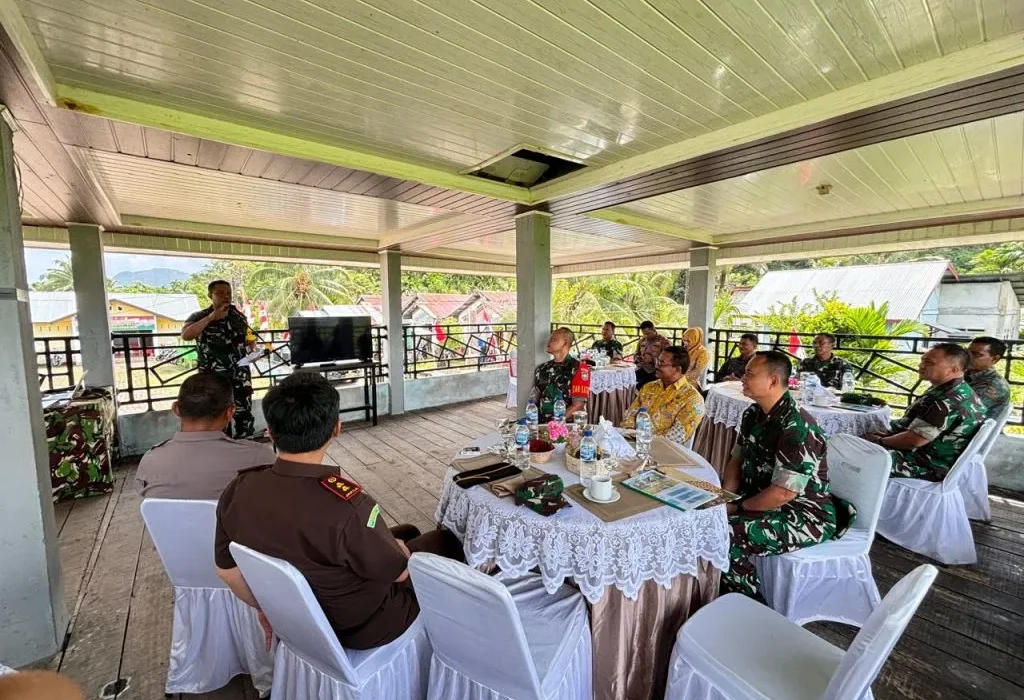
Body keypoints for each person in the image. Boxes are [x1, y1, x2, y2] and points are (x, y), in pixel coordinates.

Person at [214, 372, 461, 650]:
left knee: (409, 531)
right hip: (362, 628)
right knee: (445, 541)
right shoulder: (348, 505)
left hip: (298, 621)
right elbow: (400, 573)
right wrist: (401, 549)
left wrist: (271, 608)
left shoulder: (238, 488)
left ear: (269, 430)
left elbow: (227, 571)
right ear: (337, 428)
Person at [722, 351, 845, 599]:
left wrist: (736, 508)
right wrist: (725, 498)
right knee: (700, 514)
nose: (742, 379)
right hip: (758, 499)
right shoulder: (753, 413)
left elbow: (783, 493)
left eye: (749, 374)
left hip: (803, 514)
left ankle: (745, 603)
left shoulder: (796, 427)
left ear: (773, 381)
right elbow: (737, 459)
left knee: (725, 534)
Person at [135, 373, 275, 499]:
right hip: (235, 528)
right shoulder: (259, 457)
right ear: (230, 411)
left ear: (176, 409)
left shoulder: (150, 461)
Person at [865, 344, 986, 481]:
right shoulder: (962, 390)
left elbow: (914, 441)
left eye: (929, 363)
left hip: (925, 465)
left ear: (954, 369)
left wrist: (881, 441)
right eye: (922, 360)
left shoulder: (944, 400)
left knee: (850, 453)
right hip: (935, 459)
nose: (921, 365)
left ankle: (854, 500)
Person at [182, 280, 257, 438]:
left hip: (240, 375)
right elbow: (186, 335)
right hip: (213, 379)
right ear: (210, 295)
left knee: (244, 416)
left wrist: (252, 346)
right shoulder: (199, 316)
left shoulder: (238, 316)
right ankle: (221, 451)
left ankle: (246, 449)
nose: (226, 297)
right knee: (216, 417)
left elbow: (247, 338)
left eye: (228, 293)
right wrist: (212, 317)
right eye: (220, 293)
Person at [621, 346, 705, 445]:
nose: (656, 366)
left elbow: (676, 436)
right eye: (657, 361)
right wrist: (630, 433)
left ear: (677, 369)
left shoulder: (692, 398)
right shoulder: (649, 387)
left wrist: (645, 439)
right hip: (634, 442)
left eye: (661, 363)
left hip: (662, 451)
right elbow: (631, 413)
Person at [532, 327, 587, 421]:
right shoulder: (542, 369)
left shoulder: (579, 369)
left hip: (566, 426)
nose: (549, 342)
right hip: (541, 425)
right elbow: (533, 400)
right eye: (550, 339)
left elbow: (578, 405)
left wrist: (555, 424)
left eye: (554, 339)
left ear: (565, 344)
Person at [966, 336, 1011, 421]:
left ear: (994, 359)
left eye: (976, 354)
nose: (968, 357)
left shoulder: (993, 385)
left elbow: (961, 412)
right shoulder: (965, 374)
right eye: (967, 352)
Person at [634, 321, 671, 388]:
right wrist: (639, 359)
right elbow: (636, 354)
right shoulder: (642, 341)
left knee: (640, 386)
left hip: (656, 372)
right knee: (629, 383)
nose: (646, 336)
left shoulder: (664, 342)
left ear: (654, 329)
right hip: (642, 369)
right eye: (644, 334)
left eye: (648, 333)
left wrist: (652, 360)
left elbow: (668, 360)